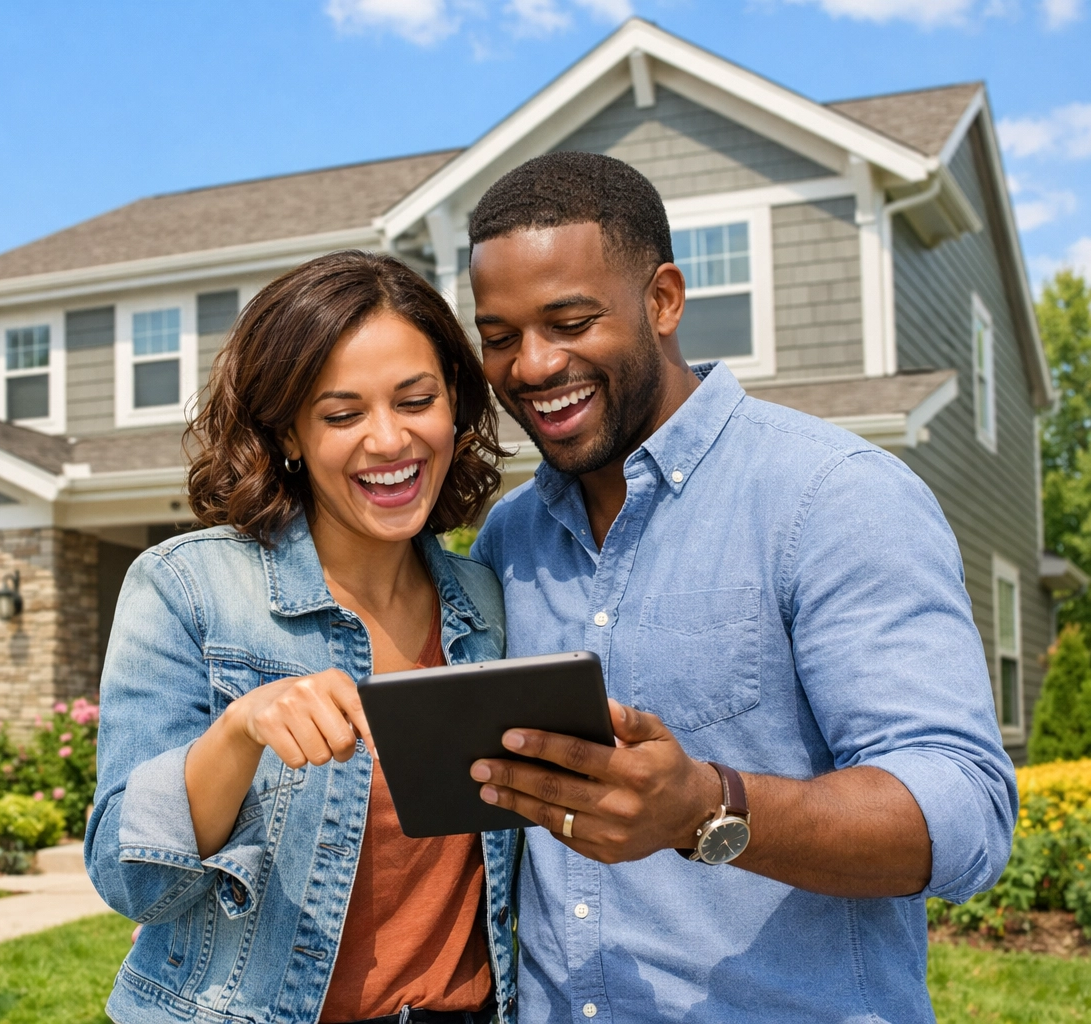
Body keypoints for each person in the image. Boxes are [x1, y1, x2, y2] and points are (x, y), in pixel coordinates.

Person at [462, 151, 1016, 1023]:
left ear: (664, 301)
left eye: (570, 321)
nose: (531, 366)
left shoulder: (833, 496)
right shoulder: (508, 538)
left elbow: (965, 810)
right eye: (499, 337)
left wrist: (710, 808)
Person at [84, 250, 518, 1024]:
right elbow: (131, 880)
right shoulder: (187, 588)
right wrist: (241, 729)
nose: (389, 441)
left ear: (454, 402)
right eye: (342, 414)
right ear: (288, 432)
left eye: (415, 400)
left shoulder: (486, 605)